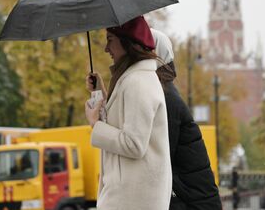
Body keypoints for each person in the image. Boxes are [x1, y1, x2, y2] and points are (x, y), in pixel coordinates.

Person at [85, 16, 172, 210]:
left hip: (132, 199)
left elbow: (134, 144)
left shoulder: (137, 82)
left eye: (110, 40)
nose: (106, 49)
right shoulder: (133, 79)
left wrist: (95, 125)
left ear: (127, 42)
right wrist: (100, 94)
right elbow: (124, 127)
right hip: (132, 197)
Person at [151, 28, 222, 210]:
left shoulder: (165, 97)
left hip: (192, 203)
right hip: (193, 199)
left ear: (154, 55)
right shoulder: (163, 92)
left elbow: (159, 155)